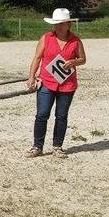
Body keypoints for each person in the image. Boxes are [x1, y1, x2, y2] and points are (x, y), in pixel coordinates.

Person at [25, 8, 87, 159]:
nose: (59, 26)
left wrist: (73, 61)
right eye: (57, 23)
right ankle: (37, 146)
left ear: (68, 24)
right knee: (42, 115)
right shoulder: (46, 38)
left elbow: (83, 59)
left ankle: (57, 147)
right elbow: (37, 58)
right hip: (47, 82)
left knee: (61, 116)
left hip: (67, 85)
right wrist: (31, 77)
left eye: (62, 23)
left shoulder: (75, 40)